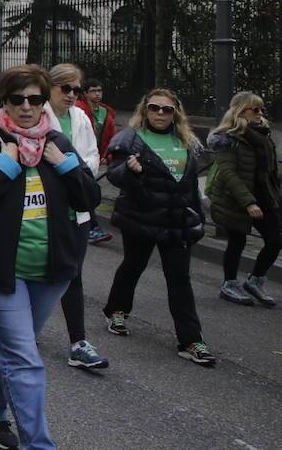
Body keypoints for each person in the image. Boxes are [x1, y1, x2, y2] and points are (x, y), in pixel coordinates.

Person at [0, 64, 99, 450]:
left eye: (35, 99)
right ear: (4, 101)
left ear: (44, 102)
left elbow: (90, 199)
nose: (26, 107)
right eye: (17, 99)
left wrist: (65, 164)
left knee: (13, 347)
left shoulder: (56, 143)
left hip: (50, 272)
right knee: (23, 356)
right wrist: (5, 162)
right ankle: (39, 444)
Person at [102, 89, 215, 366]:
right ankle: (117, 310)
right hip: (141, 218)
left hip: (177, 222)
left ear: (176, 113)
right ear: (145, 110)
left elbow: (189, 186)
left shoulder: (186, 141)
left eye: (167, 109)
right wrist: (130, 170)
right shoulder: (130, 138)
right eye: (154, 108)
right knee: (133, 266)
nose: (160, 114)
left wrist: (197, 219)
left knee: (180, 281)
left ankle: (191, 340)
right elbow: (114, 174)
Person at [45, 63, 109, 371]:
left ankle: (78, 342)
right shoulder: (38, 116)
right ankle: (20, 330)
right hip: (42, 211)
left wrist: (71, 170)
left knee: (73, 274)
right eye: (65, 89)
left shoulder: (81, 117)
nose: (72, 95)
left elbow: (91, 158)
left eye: (76, 90)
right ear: (50, 88)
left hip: (77, 209)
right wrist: (71, 169)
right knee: (37, 272)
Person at [205, 92, 281, 307]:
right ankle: (229, 284)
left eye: (261, 109)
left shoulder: (263, 136)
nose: (260, 114)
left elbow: (270, 171)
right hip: (235, 199)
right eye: (254, 109)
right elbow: (229, 173)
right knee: (237, 241)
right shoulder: (228, 138)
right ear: (240, 111)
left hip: (263, 197)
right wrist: (248, 202)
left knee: (275, 240)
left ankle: (255, 280)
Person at [77, 78, 116, 244]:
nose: (97, 94)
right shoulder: (78, 110)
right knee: (86, 191)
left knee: (86, 190)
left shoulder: (106, 112)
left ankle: (88, 227)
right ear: (85, 94)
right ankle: (92, 228)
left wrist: (108, 155)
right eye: (93, 91)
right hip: (80, 156)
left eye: (99, 91)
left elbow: (110, 137)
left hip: (95, 157)